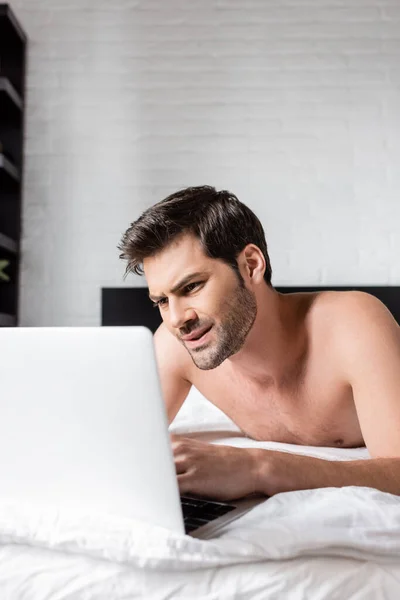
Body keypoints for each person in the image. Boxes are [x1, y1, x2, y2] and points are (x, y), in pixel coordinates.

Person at [118, 185, 400, 501]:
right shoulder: (174, 347)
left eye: (192, 286)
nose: (176, 319)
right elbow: (118, 445)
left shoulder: (352, 325)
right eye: (162, 300)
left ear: (251, 265)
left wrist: (259, 467)